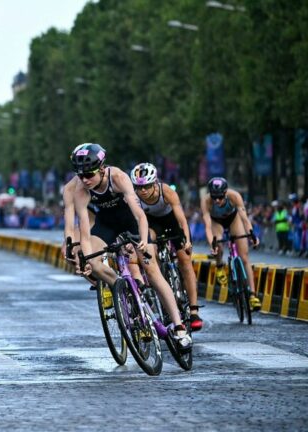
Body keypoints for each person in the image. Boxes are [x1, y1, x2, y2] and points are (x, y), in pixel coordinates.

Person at [68, 144, 192, 350]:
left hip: (131, 222)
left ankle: (179, 328)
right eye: (80, 176)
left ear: (101, 168)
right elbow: (85, 231)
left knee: (152, 271)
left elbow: (140, 215)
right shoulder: (81, 190)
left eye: (89, 174)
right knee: (96, 265)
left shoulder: (118, 177)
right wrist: (89, 259)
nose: (85, 180)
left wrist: (143, 241)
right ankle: (123, 290)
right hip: (106, 224)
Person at [130, 163, 203, 331]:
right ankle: (158, 276)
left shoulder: (167, 191)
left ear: (154, 183)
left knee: (185, 261)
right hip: (152, 224)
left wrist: (187, 241)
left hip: (172, 222)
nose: (143, 191)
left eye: (147, 186)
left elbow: (182, 219)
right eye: (139, 187)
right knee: (149, 247)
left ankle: (193, 310)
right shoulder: (134, 197)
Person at [201, 177, 261, 311]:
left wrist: (252, 235)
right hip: (216, 222)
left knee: (245, 257)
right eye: (214, 197)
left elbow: (245, 219)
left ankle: (252, 295)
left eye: (220, 197)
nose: (217, 200)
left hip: (234, 219)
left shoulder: (235, 196)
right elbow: (207, 226)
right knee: (218, 244)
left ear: (226, 193)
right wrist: (212, 245)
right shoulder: (206, 201)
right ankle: (220, 265)